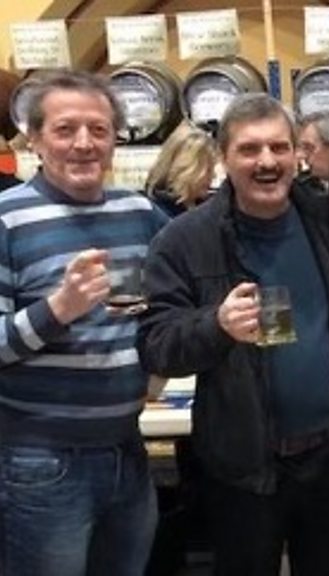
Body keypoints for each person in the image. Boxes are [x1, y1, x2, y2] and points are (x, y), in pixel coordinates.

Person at [137, 94, 329, 576]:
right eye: (249, 149)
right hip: (243, 466)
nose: (266, 161)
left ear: (297, 154)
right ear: (223, 157)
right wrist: (215, 325)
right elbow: (156, 345)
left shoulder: (326, 221)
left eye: (279, 147)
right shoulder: (184, 240)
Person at [0, 70, 166, 575]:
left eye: (98, 129)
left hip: (128, 450)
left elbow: (179, 290)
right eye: (65, 129)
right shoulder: (6, 220)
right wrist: (57, 310)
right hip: (40, 462)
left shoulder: (138, 212)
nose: (83, 144)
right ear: (34, 139)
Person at [144, 125, 218, 217]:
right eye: (208, 170)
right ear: (186, 169)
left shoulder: (210, 207)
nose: (214, 176)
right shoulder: (157, 213)